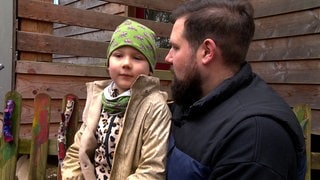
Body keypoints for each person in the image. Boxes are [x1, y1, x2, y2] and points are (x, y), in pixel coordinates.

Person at [165, 0, 306, 179]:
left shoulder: (255, 139)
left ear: (207, 51)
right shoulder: (193, 98)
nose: (168, 57)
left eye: (175, 47)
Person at [61, 19, 171, 179]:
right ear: (108, 64)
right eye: (118, 55)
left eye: (137, 58)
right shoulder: (99, 99)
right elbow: (77, 151)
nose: (126, 63)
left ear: (150, 70)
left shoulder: (155, 108)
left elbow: (152, 170)